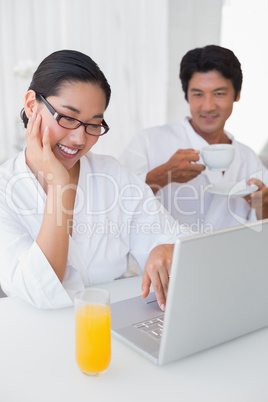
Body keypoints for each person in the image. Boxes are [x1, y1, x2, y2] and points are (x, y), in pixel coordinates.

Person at [0, 50, 180, 310]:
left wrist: (166, 249)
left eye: (93, 124)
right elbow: (41, 291)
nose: (79, 140)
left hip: (109, 331)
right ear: (31, 105)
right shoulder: (5, 190)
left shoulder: (111, 175)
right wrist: (59, 185)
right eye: (68, 118)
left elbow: (174, 238)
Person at [119, 45, 268, 234]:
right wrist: (164, 175)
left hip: (231, 261)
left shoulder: (248, 158)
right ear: (187, 96)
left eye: (219, 94)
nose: (208, 106)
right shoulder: (148, 142)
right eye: (198, 94)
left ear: (237, 95)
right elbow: (115, 205)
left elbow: (261, 230)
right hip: (165, 261)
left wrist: (263, 205)